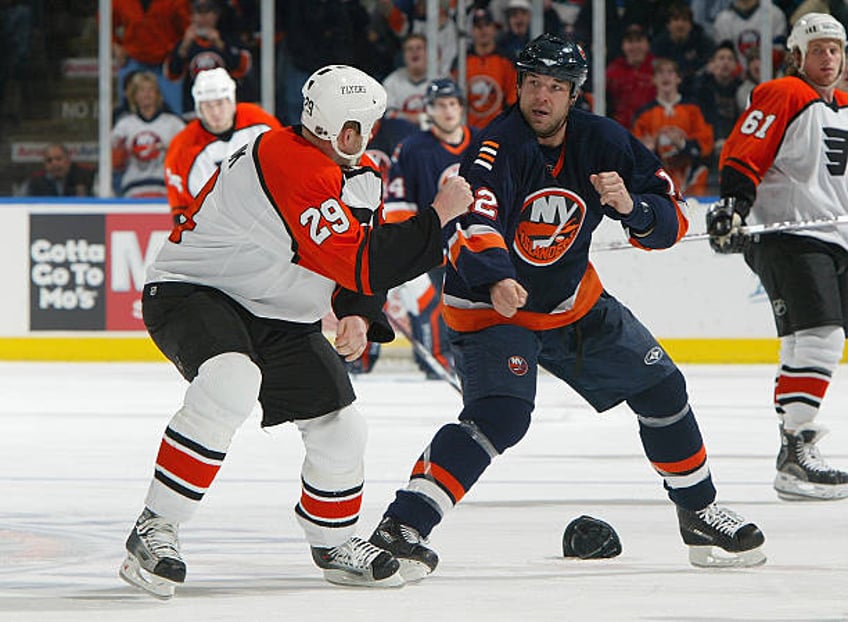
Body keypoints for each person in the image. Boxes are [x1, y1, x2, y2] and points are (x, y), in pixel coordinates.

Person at [368, 33, 767, 581]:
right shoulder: (497, 143)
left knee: (664, 389)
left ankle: (698, 511)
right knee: (499, 417)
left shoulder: (604, 140)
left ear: (574, 93)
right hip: (492, 308)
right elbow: (471, 221)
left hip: (572, 302)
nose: (542, 97)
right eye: (533, 83)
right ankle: (402, 526)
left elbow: (670, 219)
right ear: (519, 86)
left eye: (555, 87)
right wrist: (498, 277)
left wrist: (633, 208)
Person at [118, 64, 473, 599]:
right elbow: (364, 259)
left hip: (277, 312)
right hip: (193, 293)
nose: (366, 137)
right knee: (230, 379)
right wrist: (439, 215)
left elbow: (356, 259)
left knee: (342, 425)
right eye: (359, 126)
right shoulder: (288, 161)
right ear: (336, 127)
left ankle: (333, 542)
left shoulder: (356, 172)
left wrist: (355, 310)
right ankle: (154, 527)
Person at [708, 12, 848, 501]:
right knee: (821, 337)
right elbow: (746, 148)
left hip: (833, 239)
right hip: (790, 233)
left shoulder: (843, 106)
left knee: (804, 341)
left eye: (835, 49)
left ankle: (793, 446)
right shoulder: (785, 93)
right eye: (817, 50)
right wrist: (733, 205)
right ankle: (796, 448)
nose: (827, 58)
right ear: (797, 56)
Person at [384, 78, 476, 378]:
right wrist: (407, 249)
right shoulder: (411, 149)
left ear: (461, 108)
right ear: (429, 110)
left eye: (453, 104)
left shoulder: (482, 144)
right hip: (432, 247)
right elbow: (398, 203)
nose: (448, 111)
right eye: (440, 105)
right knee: (430, 306)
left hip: (477, 244)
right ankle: (436, 365)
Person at [164, 67, 281, 224]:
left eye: (220, 103)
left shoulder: (260, 123)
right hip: (216, 228)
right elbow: (182, 212)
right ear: (198, 108)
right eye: (208, 106)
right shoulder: (182, 148)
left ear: (231, 100)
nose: (215, 112)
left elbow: (285, 171)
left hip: (265, 218)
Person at [633, 58, 714, 196]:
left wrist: (683, 144)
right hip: (659, 178)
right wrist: (650, 149)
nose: (665, 76)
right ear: (654, 79)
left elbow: (706, 144)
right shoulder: (644, 114)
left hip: (690, 176)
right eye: (660, 73)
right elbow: (635, 151)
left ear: (678, 79)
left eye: (670, 72)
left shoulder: (693, 110)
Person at [164, 0, 253, 117]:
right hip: (194, 110)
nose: (203, 17)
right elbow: (172, 74)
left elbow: (242, 68)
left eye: (208, 12)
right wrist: (185, 46)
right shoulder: (184, 43)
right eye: (199, 13)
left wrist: (220, 44)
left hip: (226, 109)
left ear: (216, 15)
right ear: (192, 17)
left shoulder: (229, 39)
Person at [111, 71, 185, 198]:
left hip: (165, 189)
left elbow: (189, 154)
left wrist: (169, 148)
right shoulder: (124, 126)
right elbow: (114, 165)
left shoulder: (174, 124)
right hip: (133, 188)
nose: (147, 94)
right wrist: (122, 152)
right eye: (141, 90)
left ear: (157, 94)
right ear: (134, 95)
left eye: (151, 90)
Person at [112, 0, 191, 116]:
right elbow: (104, 20)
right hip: (133, 60)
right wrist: (115, 45)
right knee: (126, 114)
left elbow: (188, 28)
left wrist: (177, 53)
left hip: (166, 63)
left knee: (174, 116)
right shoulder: (121, 2)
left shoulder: (177, 2)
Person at [463, 8, 518, 129]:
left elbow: (513, 97)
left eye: (487, 25)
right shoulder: (462, 60)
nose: (483, 30)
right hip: (468, 131)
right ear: (471, 31)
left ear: (494, 28)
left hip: (498, 130)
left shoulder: (507, 59)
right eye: (478, 26)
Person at [650, 0, 716, 97]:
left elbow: (707, 66)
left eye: (684, 20)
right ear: (668, 25)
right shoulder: (659, 45)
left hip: (696, 90)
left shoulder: (703, 42)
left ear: (690, 25)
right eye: (676, 19)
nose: (680, 24)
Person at [606, 23, 657, 130]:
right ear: (623, 46)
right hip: (620, 131)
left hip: (652, 129)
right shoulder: (613, 70)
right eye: (630, 41)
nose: (635, 46)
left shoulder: (658, 69)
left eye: (639, 40)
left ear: (647, 44)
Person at [382, 33, 429, 127]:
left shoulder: (441, 79)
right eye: (409, 49)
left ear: (427, 53)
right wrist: (419, 118)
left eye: (419, 48)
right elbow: (388, 115)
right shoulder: (391, 81)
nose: (414, 53)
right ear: (404, 55)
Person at [24, 143, 95, 197]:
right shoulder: (36, 182)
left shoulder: (83, 177)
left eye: (58, 159)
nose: (54, 164)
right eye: (49, 160)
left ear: (68, 160)